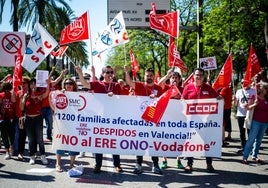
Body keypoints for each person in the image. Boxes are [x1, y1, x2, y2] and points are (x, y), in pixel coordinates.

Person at [76, 65, 123, 174]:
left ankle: (117, 164)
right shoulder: (97, 84)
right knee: (99, 142)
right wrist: (80, 73)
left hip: (113, 119)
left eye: (111, 72)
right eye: (107, 72)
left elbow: (122, 100)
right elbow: (85, 84)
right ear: (103, 74)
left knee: (113, 142)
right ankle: (98, 164)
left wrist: (115, 96)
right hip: (99, 119)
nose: (110, 74)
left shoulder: (116, 85)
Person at [124, 65, 163, 175]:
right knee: (139, 143)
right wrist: (127, 72)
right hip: (140, 121)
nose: (149, 77)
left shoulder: (158, 89)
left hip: (152, 121)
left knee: (153, 143)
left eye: (151, 76)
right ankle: (138, 165)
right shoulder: (139, 86)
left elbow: (162, 103)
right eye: (147, 75)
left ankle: (155, 165)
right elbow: (129, 82)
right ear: (144, 76)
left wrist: (155, 99)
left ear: (153, 76)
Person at [182, 68, 222, 173]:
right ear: (193, 76)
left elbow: (218, 98)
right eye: (196, 75)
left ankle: (209, 164)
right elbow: (182, 100)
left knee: (206, 143)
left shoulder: (208, 88)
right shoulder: (188, 87)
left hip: (206, 122)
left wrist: (221, 102)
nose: (198, 77)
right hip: (191, 121)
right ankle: (189, 164)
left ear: (203, 77)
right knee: (191, 142)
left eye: (200, 75)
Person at [50, 78, 80, 172]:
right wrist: (58, 96)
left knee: (73, 143)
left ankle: (72, 164)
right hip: (62, 123)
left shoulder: (78, 95)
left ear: (74, 85)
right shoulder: (59, 94)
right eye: (66, 83)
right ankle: (58, 164)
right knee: (60, 143)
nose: (68, 85)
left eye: (71, 83)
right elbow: (52, 104)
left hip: (74, 123)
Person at [157, 69, 184, 169]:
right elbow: (159, 84)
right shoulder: (167, 88)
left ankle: (179, 160)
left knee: (178, 140)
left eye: (176, 77)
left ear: (179, 79)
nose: (174, 79)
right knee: (165, 139)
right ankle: (164, 160)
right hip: (167, 117)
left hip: (179, 118)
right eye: (173, 77)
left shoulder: (182, 89)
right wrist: (167, 76)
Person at [20, 78, 50, 165]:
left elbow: (46, 94)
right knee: (31, 139)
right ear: (29, 85)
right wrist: (23, 99)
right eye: (31, 84)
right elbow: (22, 108)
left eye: (35, 84)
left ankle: (43, 155)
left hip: (38, 118)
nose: (33, 85)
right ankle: (32, 156)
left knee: (40, 138)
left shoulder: (39, 94)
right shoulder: (25, 95)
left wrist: (48, 84)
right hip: (28, 119)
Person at [242, 81, 268, 164]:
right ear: (261, 89)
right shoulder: (255, 97)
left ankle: (254, 156)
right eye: (266, 88)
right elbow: (248, 108)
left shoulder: (267, 99)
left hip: (265, 122)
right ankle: (245, 157)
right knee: (251, 139)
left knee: (259, 140)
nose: (267, 90)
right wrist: (254, 104)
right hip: (256, 121)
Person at [41, 69, 67, 142]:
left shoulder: (51, 84)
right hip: (41, 107)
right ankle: (39, 137)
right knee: (40, 124)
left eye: (49, 77)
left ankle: (49, 137)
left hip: (49, 107)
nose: (49, 78)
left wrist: (62, 74)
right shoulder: (40, 86)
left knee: (49, 123)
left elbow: (57, 80)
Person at [234, 79, 257, 154]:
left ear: (248, 83)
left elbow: (256, 102)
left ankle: (250, 147)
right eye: (242, 82)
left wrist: (250, 105)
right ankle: (243, 147)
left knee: (249, 132)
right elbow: (236, 104)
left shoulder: (253, 91)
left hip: (249, 114)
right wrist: (234, 100)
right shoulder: (238, 91)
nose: (243, 84)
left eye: (245, 82)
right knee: (242, 132)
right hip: (240, 114)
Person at [0, 82, 16, 160]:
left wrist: (12, 92)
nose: (7, 92)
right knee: (4, 135)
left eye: (8, 90)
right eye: (5, 90)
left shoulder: (12, 94)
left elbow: (14, 101)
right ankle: (7, 151)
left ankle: (11, 146)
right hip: (2, 118)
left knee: (11, 134)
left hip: (11, 117)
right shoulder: (1, 95)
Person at [15, 76, 31, 160]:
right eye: (21, 83)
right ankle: (20, 153)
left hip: (31, 117)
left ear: (28, 84)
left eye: (24, 83)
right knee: (21, 136)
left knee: (33, 136)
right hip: (21, 118)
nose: (22, 84)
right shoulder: (18, 93)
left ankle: (33, 153)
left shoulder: (32, 92)